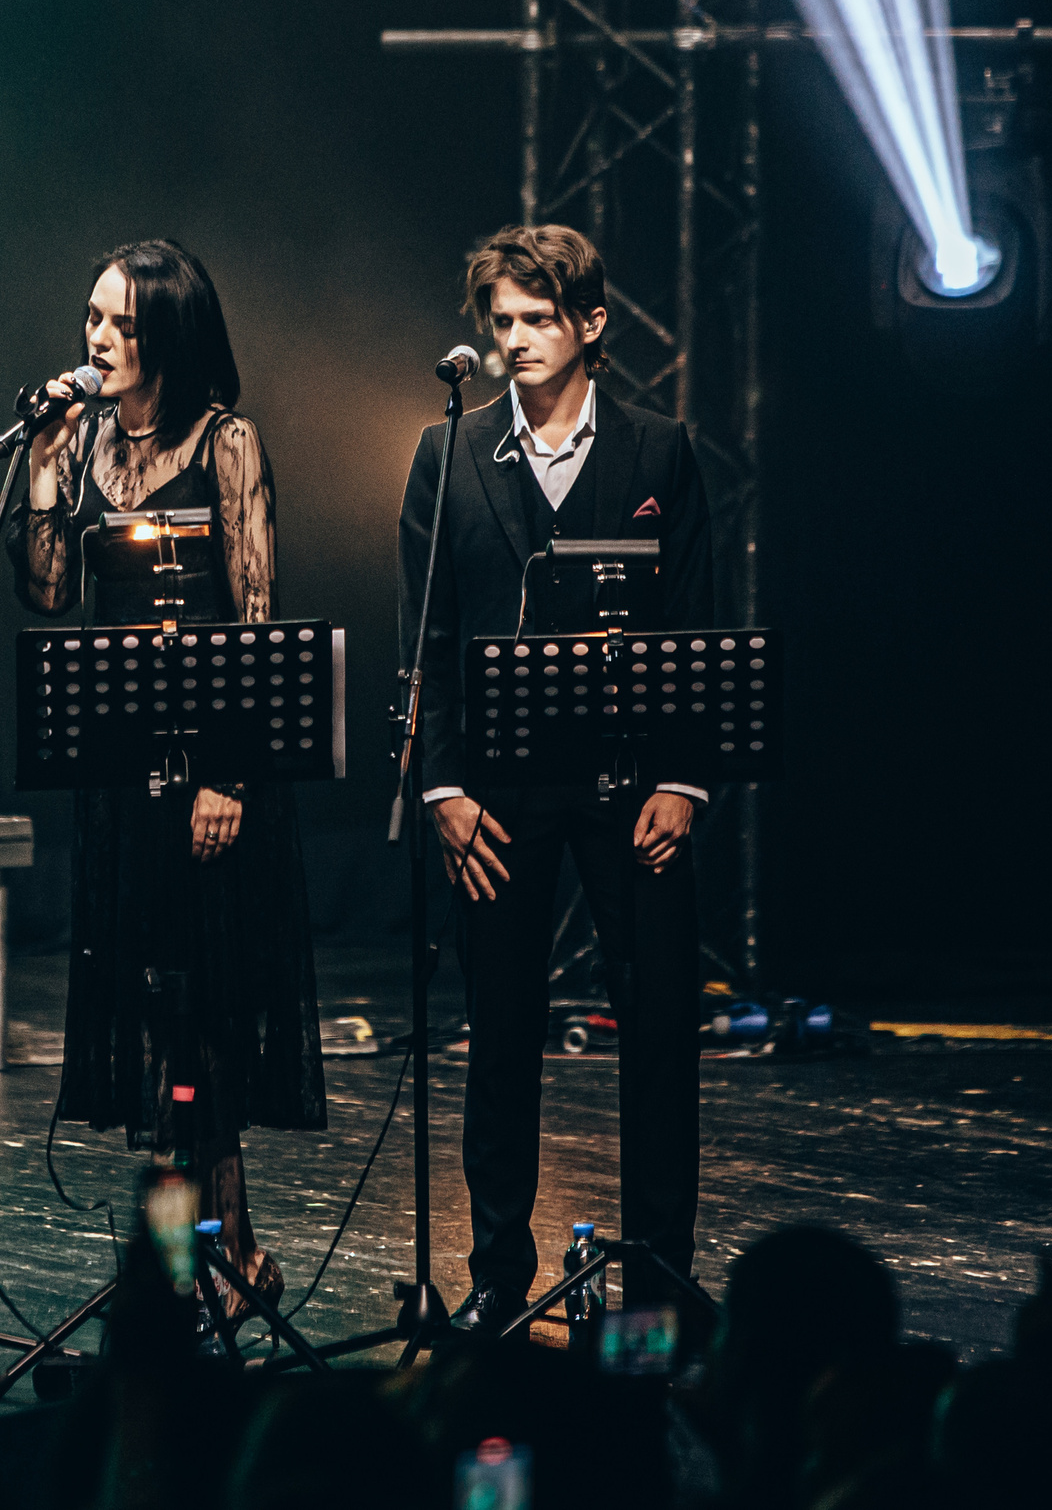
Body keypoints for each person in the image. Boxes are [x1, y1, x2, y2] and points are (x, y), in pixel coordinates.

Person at [395, 223, 716, 1331]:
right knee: (500, 1030)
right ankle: (495, 1275)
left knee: (660, 1027)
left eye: (538, 319)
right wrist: (442, 790)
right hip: (497, 790)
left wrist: (683, 776)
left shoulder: (658, 449)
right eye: (503, 321)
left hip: (633, 784)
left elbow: (692, 624)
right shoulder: (449, 452)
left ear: (590, 328)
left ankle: (660, 1277)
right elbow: (426, 633)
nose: (516, 340)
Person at [9, 238, 326, 1322]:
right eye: (92, 317)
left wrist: (231, 776)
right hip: (120, 777)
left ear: (169, 337)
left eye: (121, 323)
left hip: (215, 774)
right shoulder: (86, 438)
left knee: (208, 1022)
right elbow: (49, 593)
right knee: (151, 1022)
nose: (96, 339)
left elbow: (255, 614)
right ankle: (195, 1263)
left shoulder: (226, 443)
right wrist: (47, 460)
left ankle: (215, 1255)